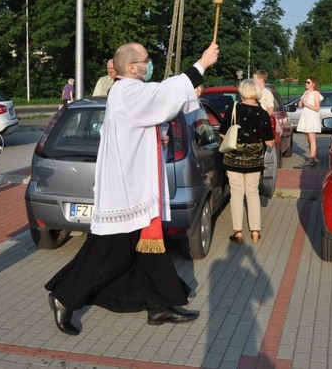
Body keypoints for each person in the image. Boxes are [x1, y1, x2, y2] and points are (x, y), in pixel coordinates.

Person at [44, 41, 219, 335]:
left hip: (137, 187)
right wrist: (201, 64)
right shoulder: (127, 90)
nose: (149, 63)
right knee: (110, 252)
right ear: (131, 66)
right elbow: (164, 94)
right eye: (146, 60)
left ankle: (159, 306)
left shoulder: (130, 93)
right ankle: (64, 297)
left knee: (149, 249)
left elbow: (154, 113)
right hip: (125, 191)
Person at [219, 79, 275, 245]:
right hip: (255, 161)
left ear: (242, 91)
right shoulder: (263, 113)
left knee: (236, 193)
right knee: (252, 193)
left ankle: (238, 232)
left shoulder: (234, 108)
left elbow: (223, 134)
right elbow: (270, 142)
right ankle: (255, 231)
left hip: (233, 159)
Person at [297, 76, 323, 167]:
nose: (306, 84)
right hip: (305, 117)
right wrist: (302, 99)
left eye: (308, 82)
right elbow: (300, 105)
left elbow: (317, 108)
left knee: (312, 138)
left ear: (313, 84)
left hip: (312, 117)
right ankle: (314, 155)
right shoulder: (305, 92)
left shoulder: (315, 94)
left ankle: (312, 159)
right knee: (307, 137)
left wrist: (308, 105)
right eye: (306, 82)